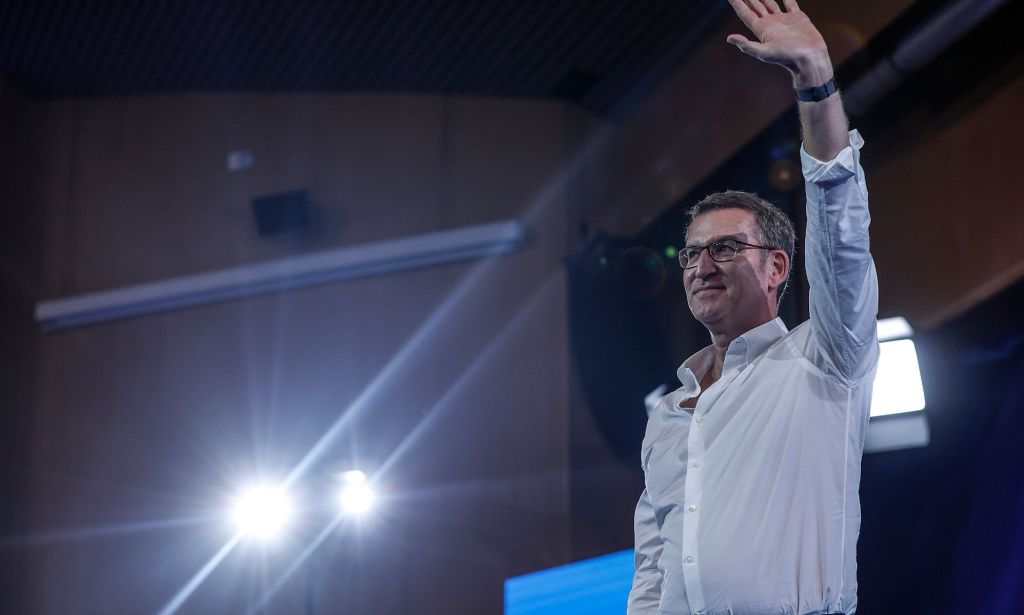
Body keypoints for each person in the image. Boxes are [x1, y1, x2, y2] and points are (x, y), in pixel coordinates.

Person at [628, 1, 878, 614]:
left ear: (776, 268)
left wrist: (815, 80)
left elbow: (841, 243)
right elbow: (655, 568)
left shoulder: (824, 359)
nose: (702, 265)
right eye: (691, 254)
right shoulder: (668, 414)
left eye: (726, 248)